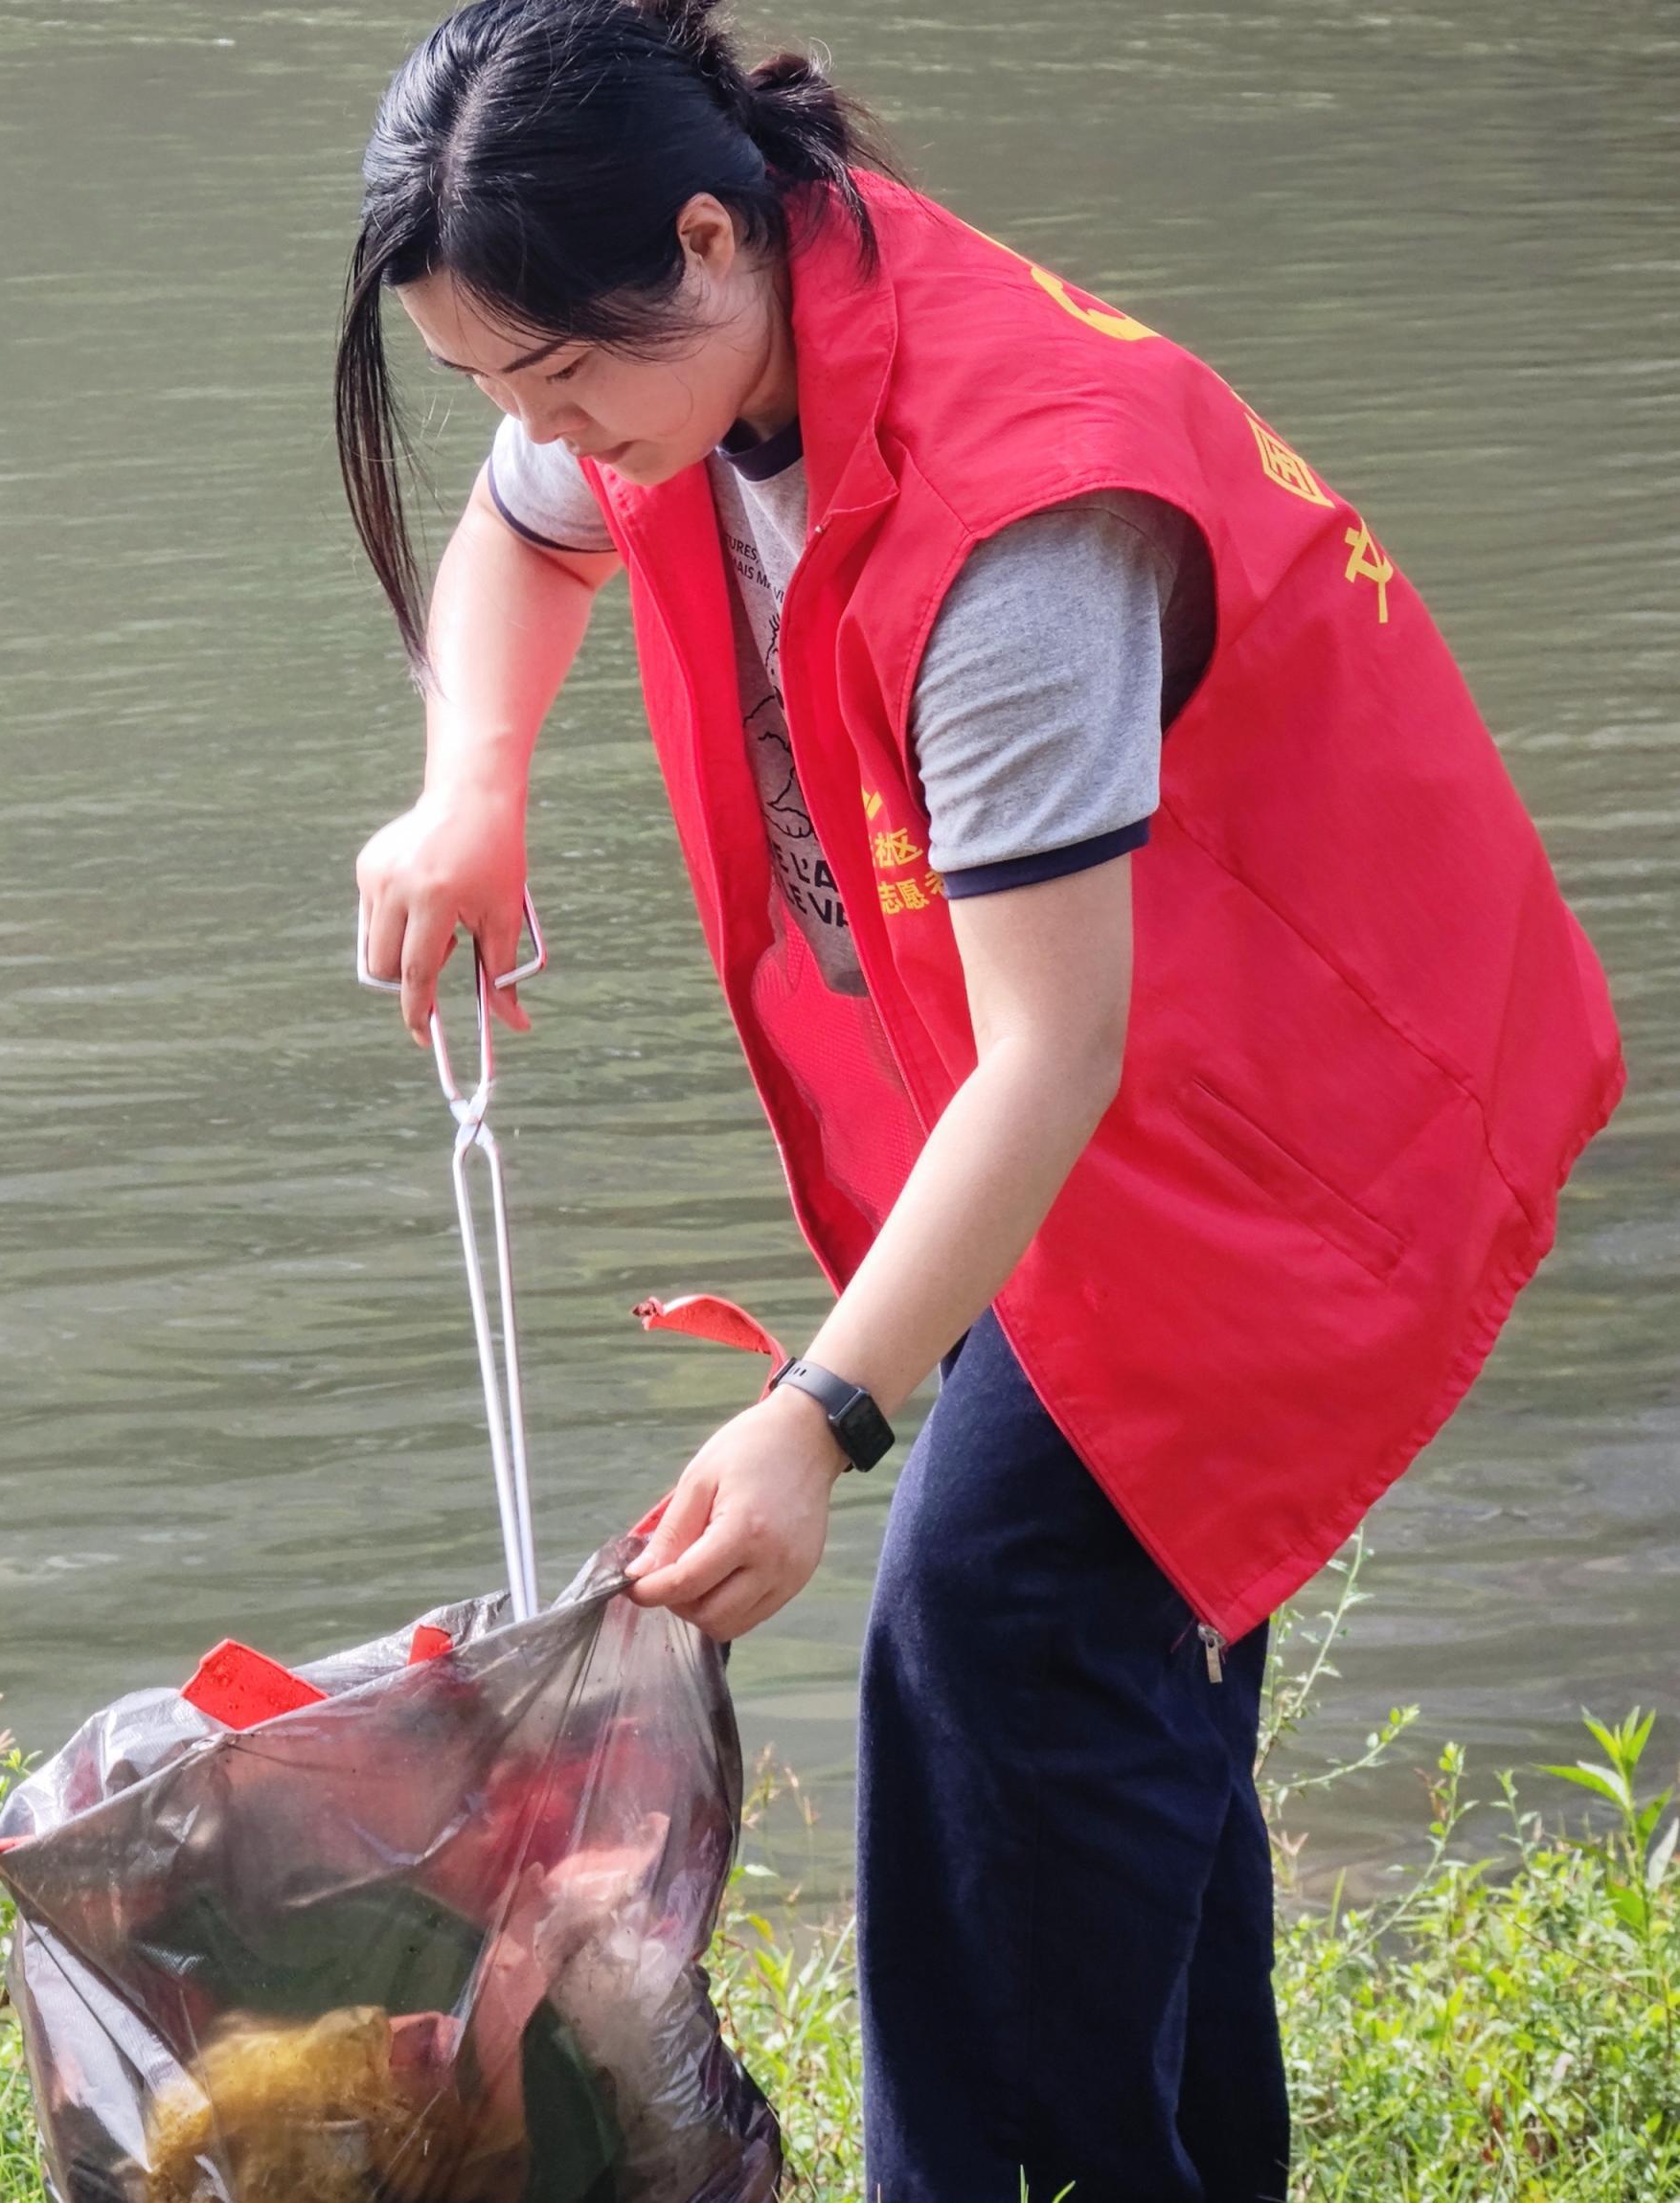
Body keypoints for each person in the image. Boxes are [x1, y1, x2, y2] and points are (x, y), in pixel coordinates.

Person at [335, 4, 1621, 2196]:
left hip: (1295, 1117)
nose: (549, 437)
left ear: (712, 241)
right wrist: (472, 785)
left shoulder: (1019, 518)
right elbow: (519, 536)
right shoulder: (674, 338)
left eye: (563, 384)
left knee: (993, 1624)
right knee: (1107, 1671)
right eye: (493, 389)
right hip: (1123, 1068)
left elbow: (1055, 1052)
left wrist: (819, 1413)